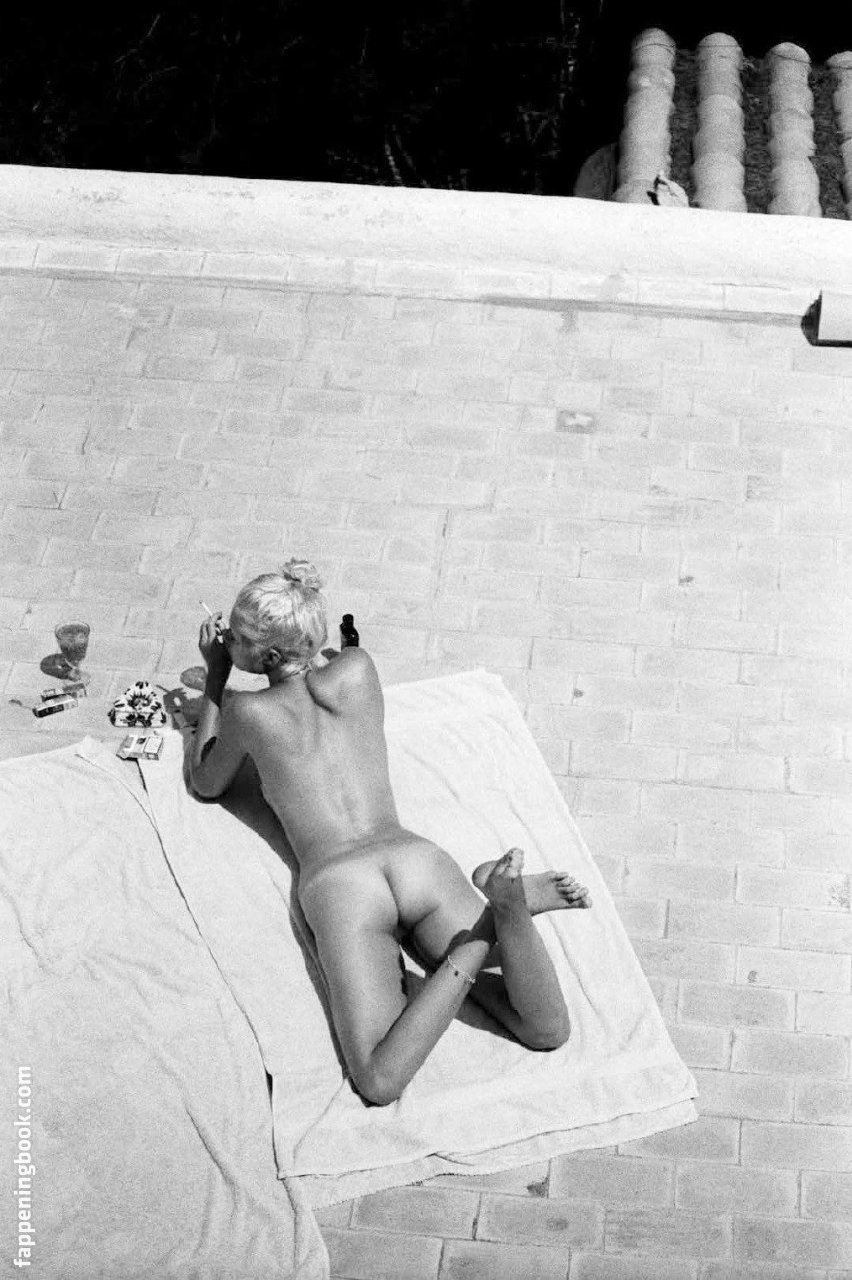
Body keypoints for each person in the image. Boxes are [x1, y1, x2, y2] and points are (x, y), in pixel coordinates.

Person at [189, 558, 592, 1106]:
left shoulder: (247, 714)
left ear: (269, 658)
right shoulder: (359, 667)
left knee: (379, 1079)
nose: (227, 643)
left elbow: (206, 782)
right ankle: (503, 913)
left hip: (340, 883)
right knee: (546, 1031)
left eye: (235, 638)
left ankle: (484, 934)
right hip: (414, 859)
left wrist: (216, 676)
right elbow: (331, 676)